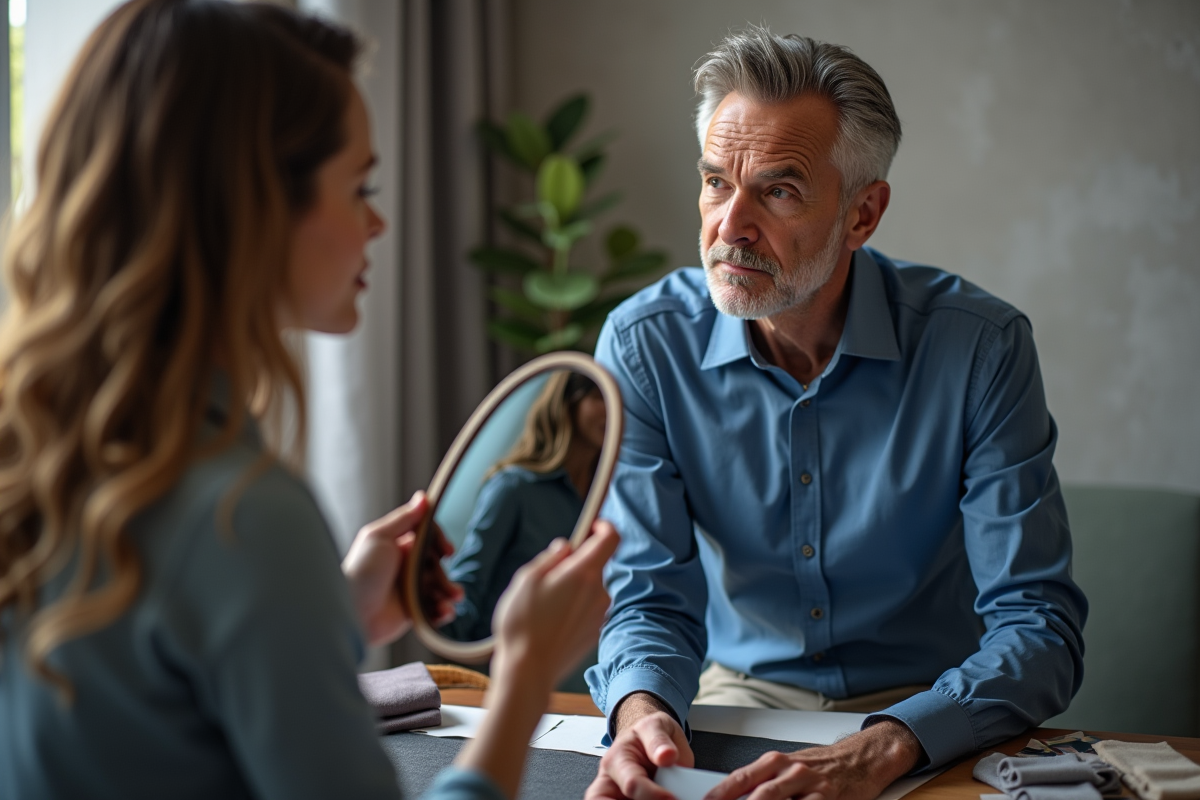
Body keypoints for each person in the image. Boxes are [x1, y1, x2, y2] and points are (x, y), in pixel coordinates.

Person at [0, 2, 617, 799]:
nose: (379, 220)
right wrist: (527, 679)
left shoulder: (41, 456)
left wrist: (328, 619)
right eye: (359, 185)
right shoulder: (242, 517)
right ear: (248, 205)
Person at [584, 26, 1088, 800]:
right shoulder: (645, 345)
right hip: (736, 704)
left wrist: (890, 744)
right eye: (717, 181)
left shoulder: (981, 349)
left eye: (778, 190)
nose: (730, 226)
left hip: (936, 710)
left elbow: (1037, 626)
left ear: (863, 215)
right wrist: (640, 711)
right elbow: (648, 594)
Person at [444, 371, 607, 643]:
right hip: (502, 659)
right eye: (596, 397)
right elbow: (470, 580)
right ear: (567, 404)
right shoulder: (513, 487)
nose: (612, 409)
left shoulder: (610, 500)